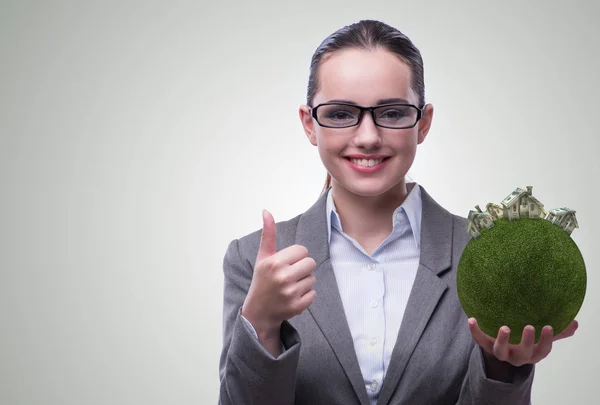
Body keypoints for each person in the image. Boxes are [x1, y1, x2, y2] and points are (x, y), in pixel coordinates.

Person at [217, 19, 578, 405]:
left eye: (392, 113)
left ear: (423, 124)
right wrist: (261, 324)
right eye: (340, 114)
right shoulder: (253, 260)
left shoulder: (486, 257)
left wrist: (501, 367)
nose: (369, 137)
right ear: (310, 124)